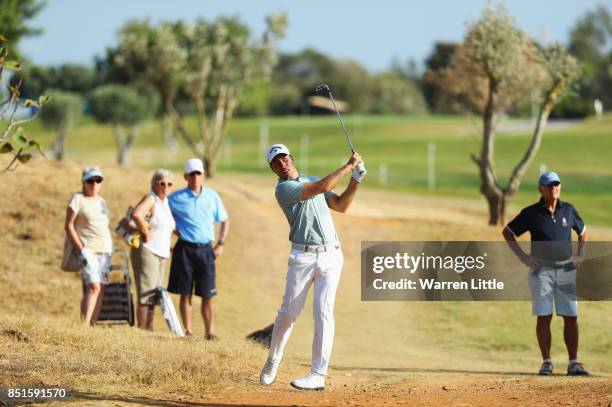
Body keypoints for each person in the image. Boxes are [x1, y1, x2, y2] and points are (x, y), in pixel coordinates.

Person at [260, 143, 366, 390]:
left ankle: (318, 373)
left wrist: (355, 181)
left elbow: (341, 205)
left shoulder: (312, 179)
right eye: (276, 162)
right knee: (289, 312)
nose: (282, 163)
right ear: (273, 169)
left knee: (324, 312)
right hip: (302, 257)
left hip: (331, 256)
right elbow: (322, 187)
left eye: (284, 158)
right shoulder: (284, 189)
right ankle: (274, 358)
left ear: (292, 158)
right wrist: (349, 165)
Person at [502, 171, 590, 376]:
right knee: (544, 316)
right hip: (541, 272)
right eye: (550, 185)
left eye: (557, 185)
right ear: (541, 189)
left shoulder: (568, 210)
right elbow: (508, 232)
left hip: (565, 270)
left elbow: (583, 231)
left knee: (570, 316)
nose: (554, 188)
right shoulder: (531, 213)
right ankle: (547, 362)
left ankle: (574, 363)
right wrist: (524, 257)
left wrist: (580, 255)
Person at [167, 158, 229, 339]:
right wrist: (175, 230)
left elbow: (224, 220)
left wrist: (221, 244)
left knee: (207, 294)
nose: (195, 177)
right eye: (192, 173)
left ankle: (209, 332)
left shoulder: (212, 196)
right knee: (185, 293)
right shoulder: (175, 198)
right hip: (184, 249)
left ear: (203, 176)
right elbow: (162, 215)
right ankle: (188, 332)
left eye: (198, 173)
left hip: (206, 250)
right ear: (186, 176)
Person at [64, 166, 113, 326]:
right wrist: (81, 248)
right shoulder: (78, 199)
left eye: (98, 180)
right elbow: (69, 225)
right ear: (83, 182)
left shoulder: (102, 201)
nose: (94, 183)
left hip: (105, 250)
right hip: (87, 250)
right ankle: (84, 326)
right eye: (90, 180)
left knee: (100, 288)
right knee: (93, 286)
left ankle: (92, 324)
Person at [130, 169, 176, 331]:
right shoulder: (151, 199)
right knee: (146, 293)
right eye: (161, 183)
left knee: (155, 294)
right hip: (147, 250)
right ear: (154, 184)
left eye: (169, 184)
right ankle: (143, 329)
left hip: (162, 253)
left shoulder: (166, 202)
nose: (165, 187)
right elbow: (137, 214)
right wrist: (145, 231)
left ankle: (149, 328)